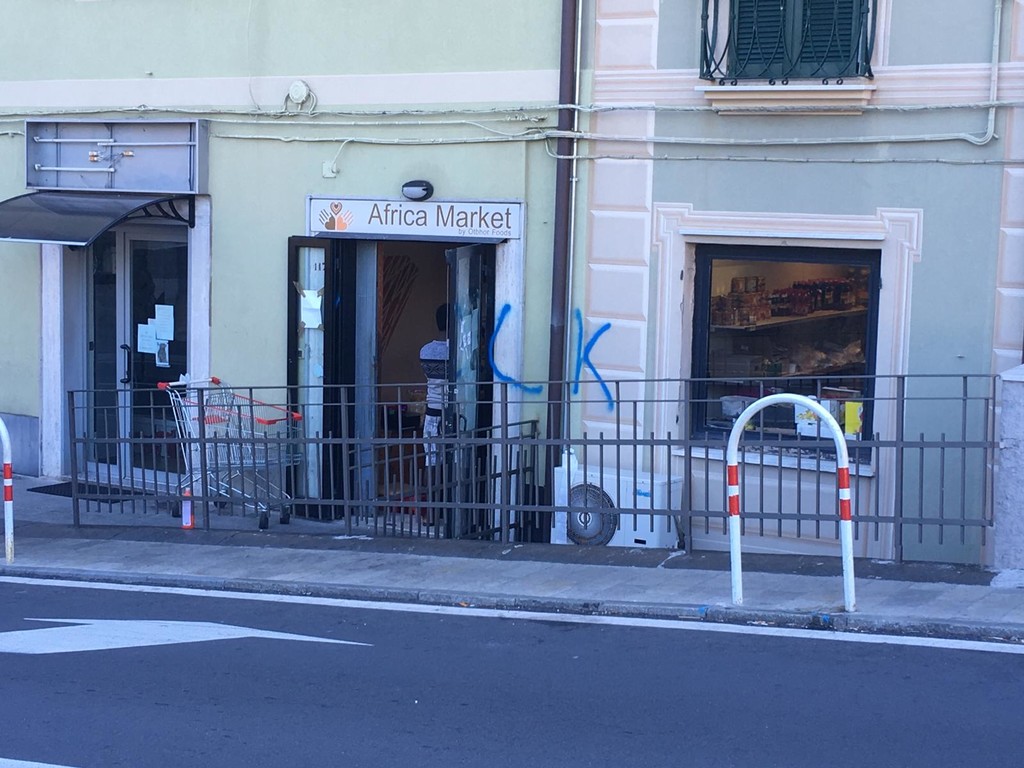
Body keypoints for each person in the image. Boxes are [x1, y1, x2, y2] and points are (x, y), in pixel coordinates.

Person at [419, 303, 449, 470]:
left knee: (431, 462)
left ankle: (430, 488)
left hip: (432, 411)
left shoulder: (425, 350)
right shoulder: (458, 351)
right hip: (453, 412)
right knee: (455, 463)